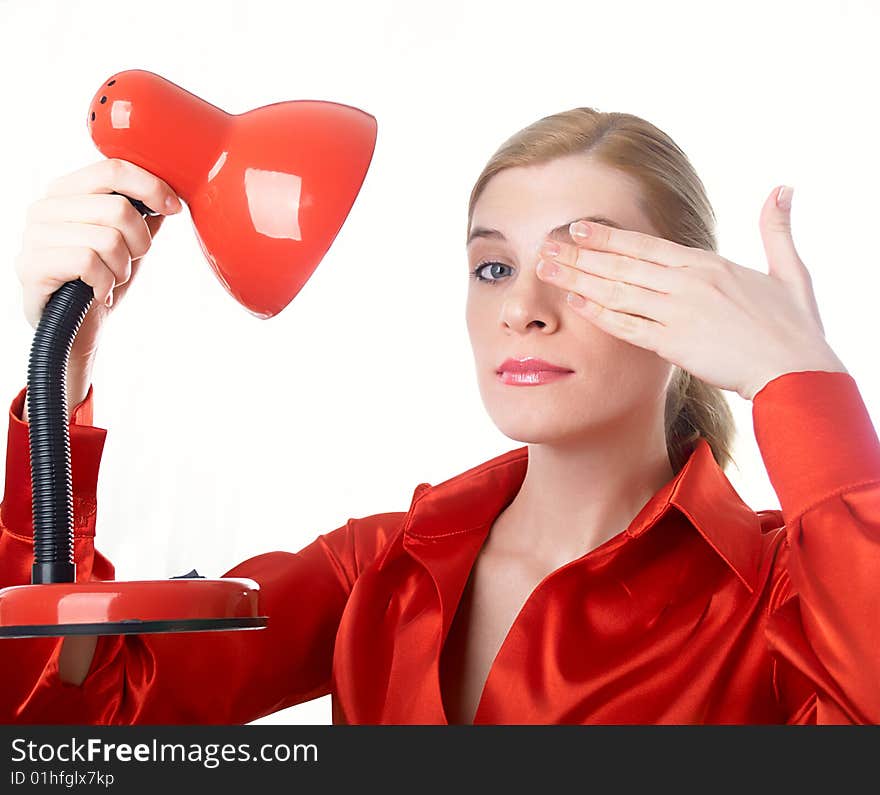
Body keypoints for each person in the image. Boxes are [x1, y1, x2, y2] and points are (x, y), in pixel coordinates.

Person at [2, 107, 879, 725]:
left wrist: (796, 378)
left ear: (689, 301)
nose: (522, 308)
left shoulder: (787, 594)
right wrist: (61, 365)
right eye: (493, 267)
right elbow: (76, 719)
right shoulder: (377, 567)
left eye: (583, 264)